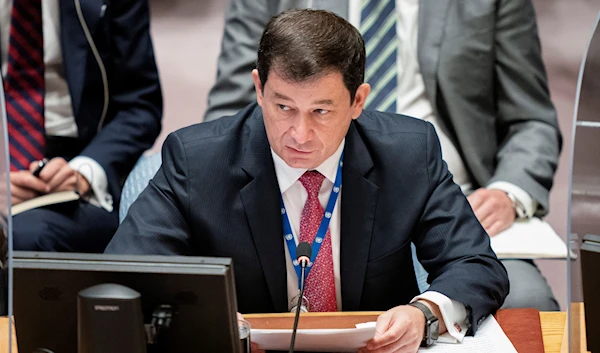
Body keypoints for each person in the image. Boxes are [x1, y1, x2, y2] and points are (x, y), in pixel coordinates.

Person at [107, 9, 508, 352]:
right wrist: (202, 318)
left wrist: (425, 314)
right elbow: (127, 270)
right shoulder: (197, 161)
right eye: (284, 106)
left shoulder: (407, 154)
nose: (299, 134)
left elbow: (474, 263)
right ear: (259, 89)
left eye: (320, 111)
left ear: (357, 101)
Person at [204, 0, 562, 311]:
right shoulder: (284, 118)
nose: (301, 129)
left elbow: (531, 118)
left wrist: (509, 192)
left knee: (524, 302)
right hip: (296, 189)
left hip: (453, 198)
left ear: (360, 100)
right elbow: (229, 118)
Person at [1, 0, 162, 252]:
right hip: (4, 158)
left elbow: (140, 107)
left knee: (24, 236)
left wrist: (85, 171)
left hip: (76, 163)